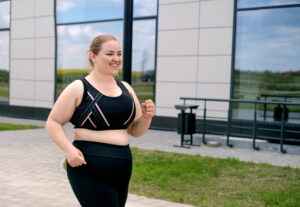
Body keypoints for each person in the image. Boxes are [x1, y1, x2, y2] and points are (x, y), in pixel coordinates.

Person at [45, 34, 155, 207]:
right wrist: (69, 150)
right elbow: (53, 122)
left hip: (122, 167)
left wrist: (147, 117)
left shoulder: (126, 88)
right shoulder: (79, 87)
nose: (116, 59)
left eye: (119, 54)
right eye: (110, 54)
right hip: (88, 167)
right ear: (93, 56)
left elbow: (135, 131)